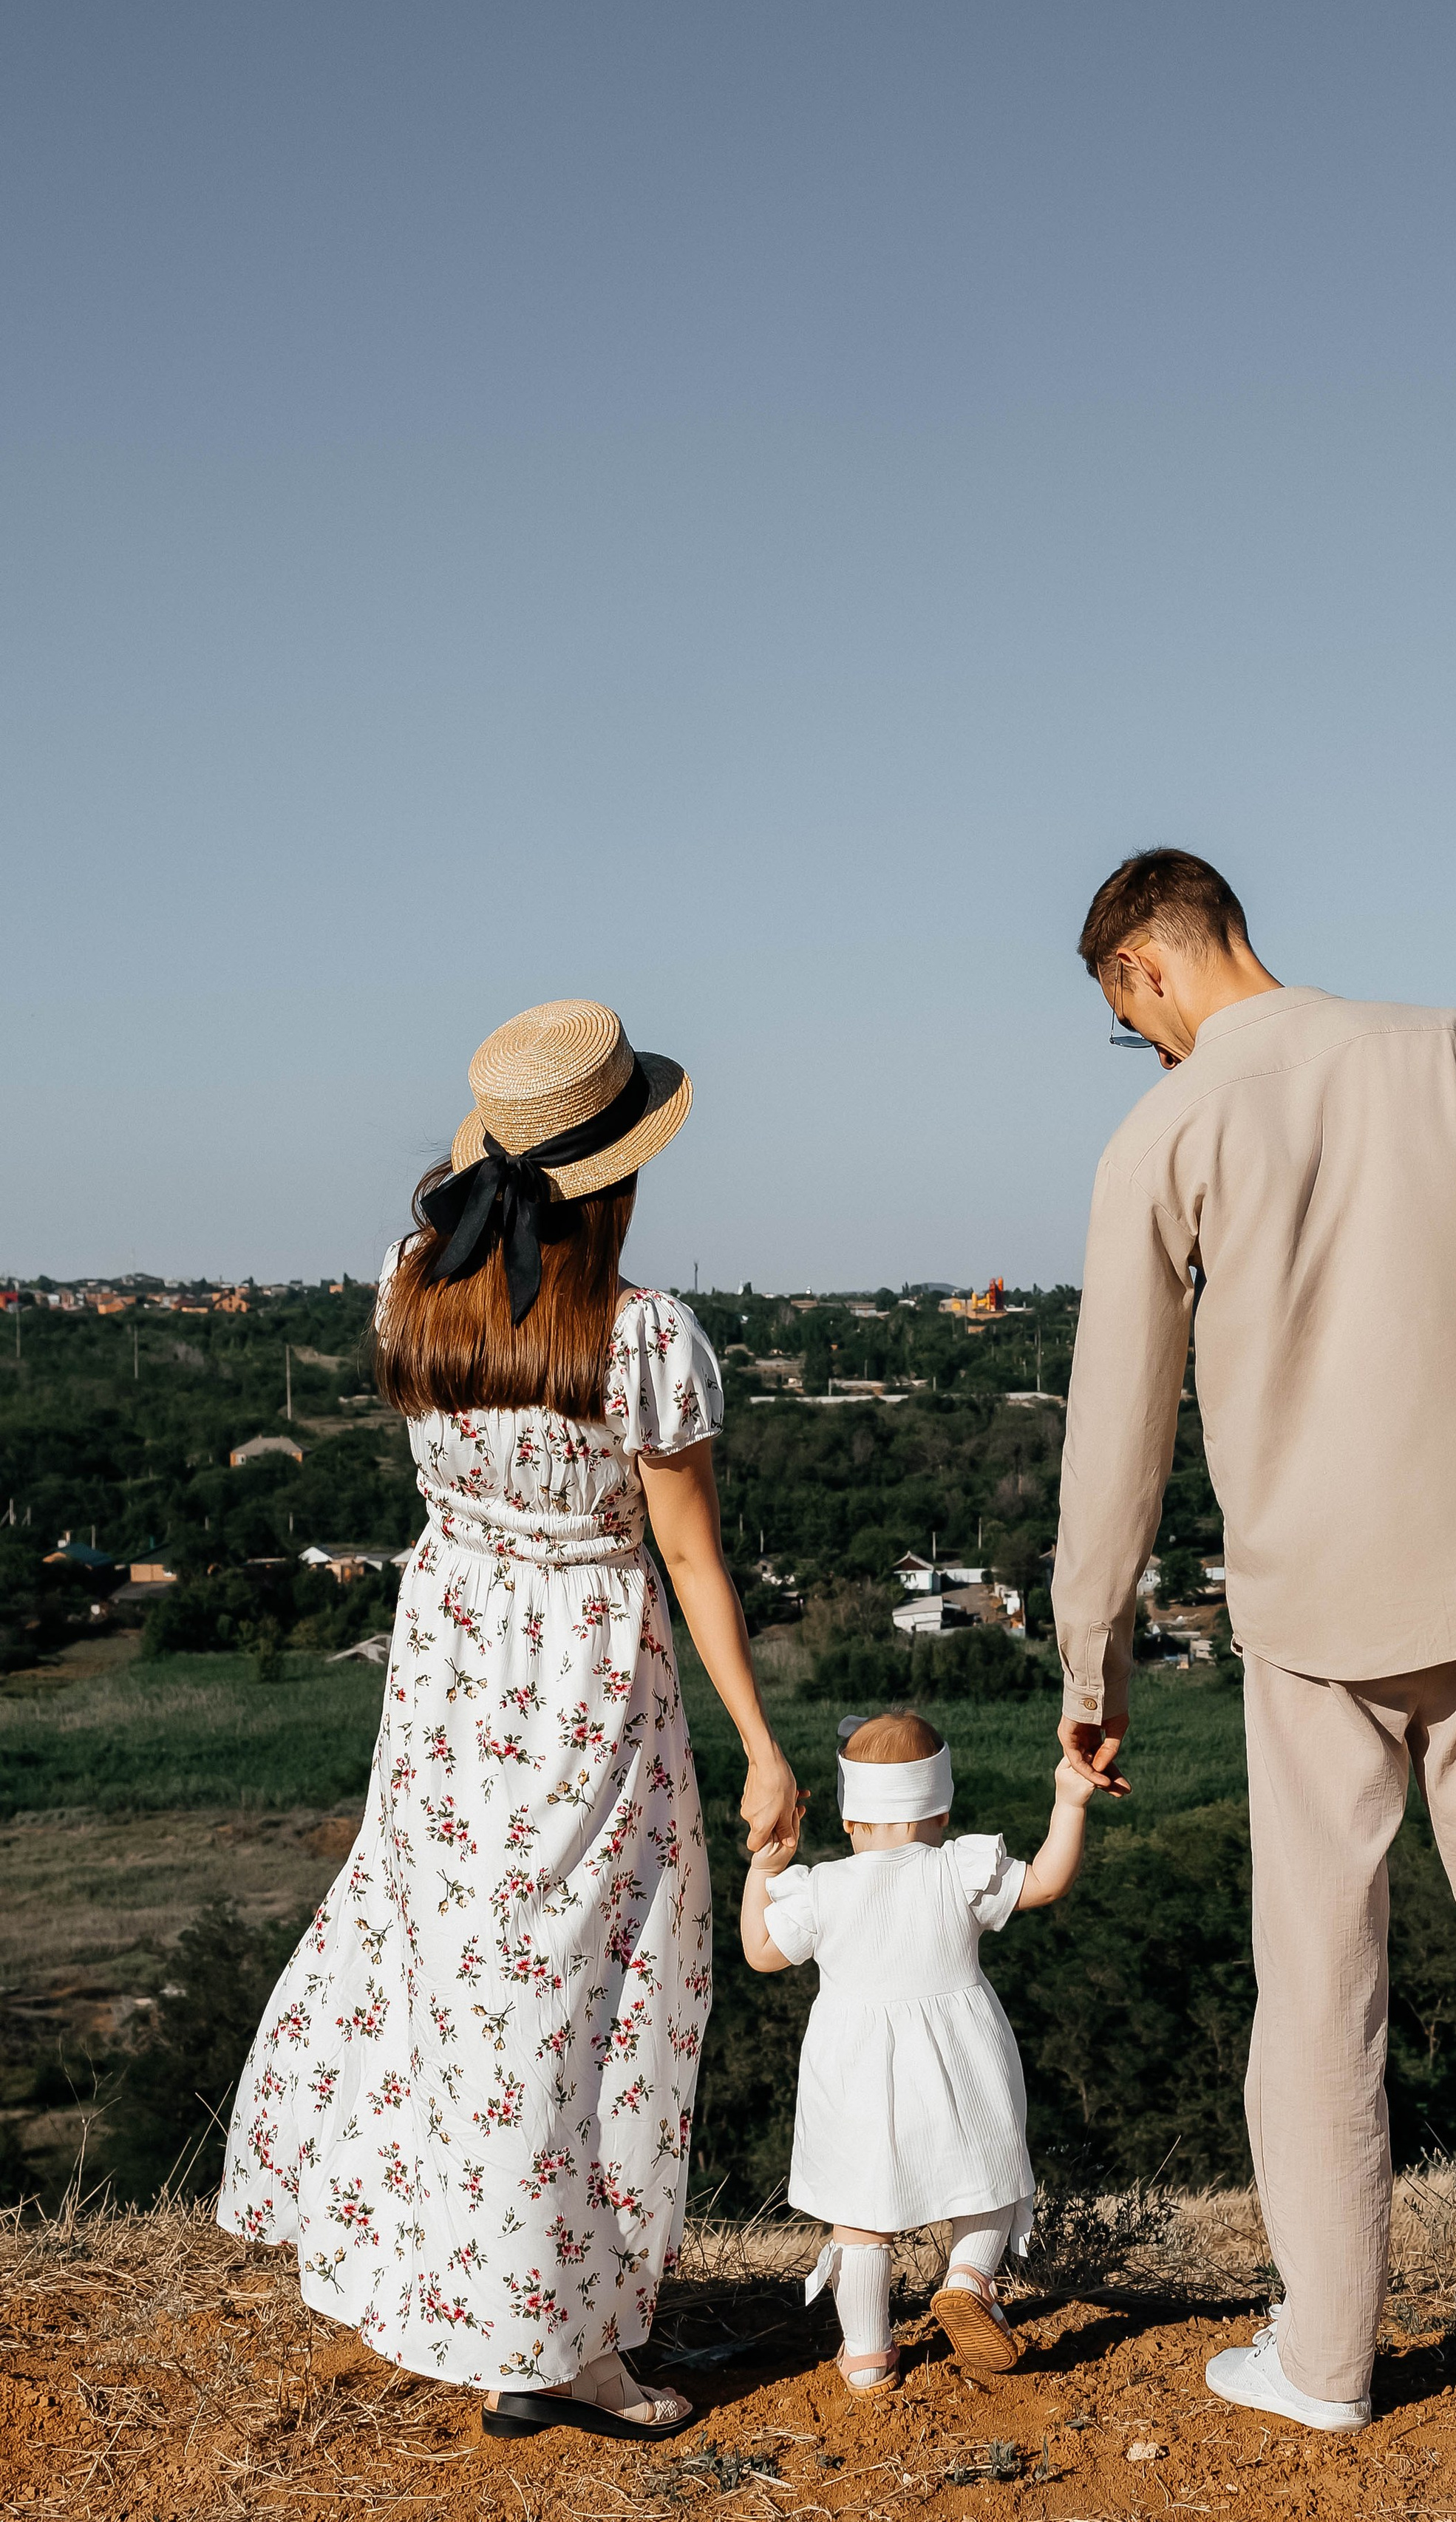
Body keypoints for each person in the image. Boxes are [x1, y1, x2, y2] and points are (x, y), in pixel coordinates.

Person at [1051, 850, 1456, 2439]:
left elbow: (1115, 1441)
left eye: (1128, 1016)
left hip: (1309, 1623)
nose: (1144, 1041)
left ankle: (1324, 2362)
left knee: (1316, 1995)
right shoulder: (1449, 1046)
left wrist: (1088, 1671)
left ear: (1147, 973)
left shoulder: (1162, 1131)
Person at [218, 1000, 802, 2444]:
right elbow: (690, 1560)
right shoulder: (643, 1335)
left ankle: (491, 2310)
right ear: (617, 1172)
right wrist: (764, 1746)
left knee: (461, 1988)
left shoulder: (409, 1289)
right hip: (588, 1678)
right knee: (586, 1997)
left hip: (449, 1670)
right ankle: (564, 2345)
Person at [741, 1712, 1092, 2392]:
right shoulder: (958, 1869)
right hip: (963, 2054)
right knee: (989, 2176)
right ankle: (969, 2278)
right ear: (942, 1810)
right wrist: (1069, 1801)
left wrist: (764, 1869)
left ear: (849, 1822)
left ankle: (869, 2356)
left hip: (854, 2077)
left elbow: (760, 1953)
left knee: (861, 2216)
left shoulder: (824, 1887)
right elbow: (1048, 1882)